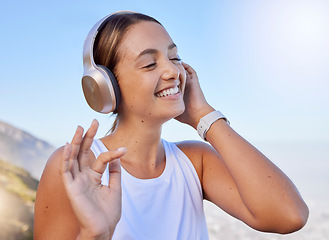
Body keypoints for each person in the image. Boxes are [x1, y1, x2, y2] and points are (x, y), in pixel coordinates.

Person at [34, 11, 309, 240]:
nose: (172, 71)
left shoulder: (196, 162)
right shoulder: (76, 168)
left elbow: (289, 216)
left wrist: (204, 116)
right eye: (150, 63)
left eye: (174, 57)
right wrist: (95, 234)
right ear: (106, 87)